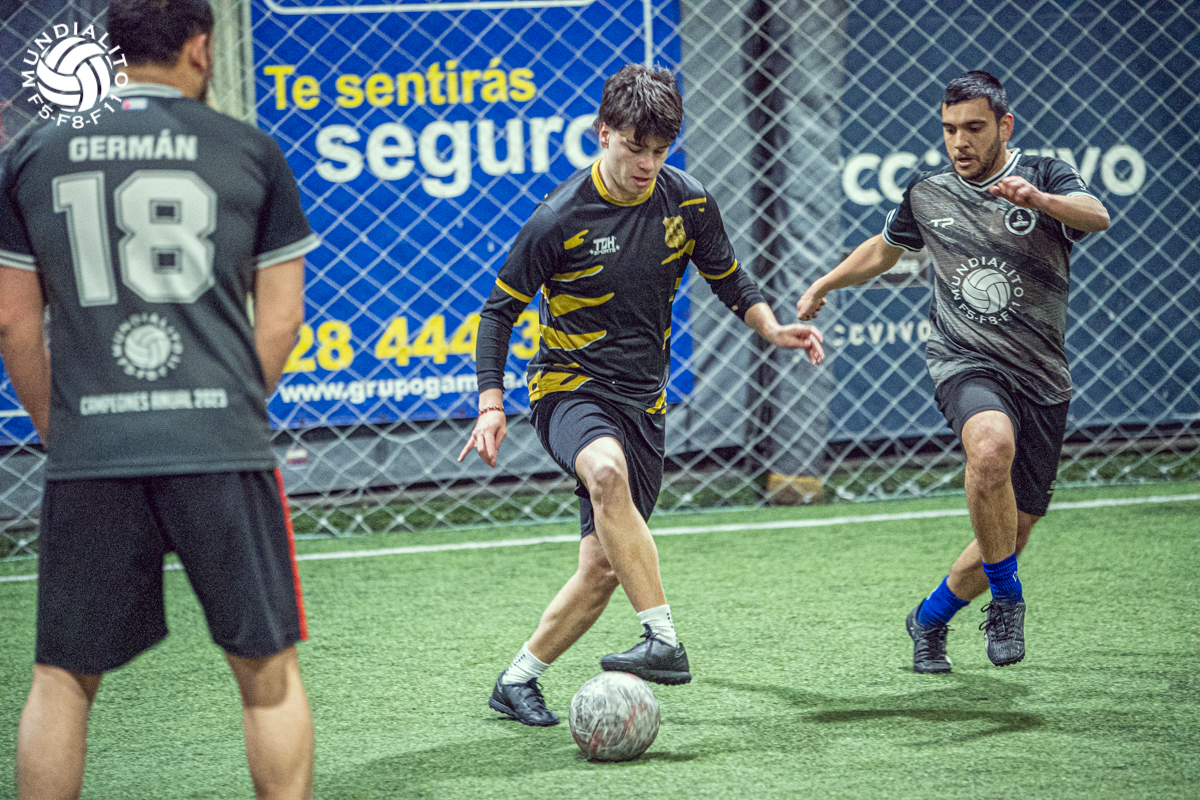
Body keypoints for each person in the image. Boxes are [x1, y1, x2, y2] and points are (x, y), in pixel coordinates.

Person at [0, 1, 320, 797]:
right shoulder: (249, 150)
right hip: (220, 444)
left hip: (92, 451)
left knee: (62, 677)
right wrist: (228, 406)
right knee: (267, 670)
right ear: (202, 48)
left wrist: (61, 428)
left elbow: (12, 321)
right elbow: (282, 320)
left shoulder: (33, 151)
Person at [459, 64, 825, 726]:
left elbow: (730, 278)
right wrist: (491, 402)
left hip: (644, 404)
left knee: (603, 567)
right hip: (569, 388)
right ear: (603, 133)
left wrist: (772, 329)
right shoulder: (559, 218)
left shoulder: (688, 203)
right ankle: (664, 638)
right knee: (605, 470)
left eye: (660, 150)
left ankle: (516, 681)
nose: (648, 165)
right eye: (635, 148)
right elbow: (498, 312)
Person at [797, 71, 1109, 673]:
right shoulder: (927, 192)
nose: (959, 141)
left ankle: (930, 617)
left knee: (1014, 529)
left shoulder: (1043, 174)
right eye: (949, 129)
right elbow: (883, 250)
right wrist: (824, 284)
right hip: (964, 360)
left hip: (1041, 374)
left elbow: (1096, 215)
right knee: (990, 449)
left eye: (974, 128)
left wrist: (1040, 202)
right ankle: (1008, 601)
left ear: (1004, 126)